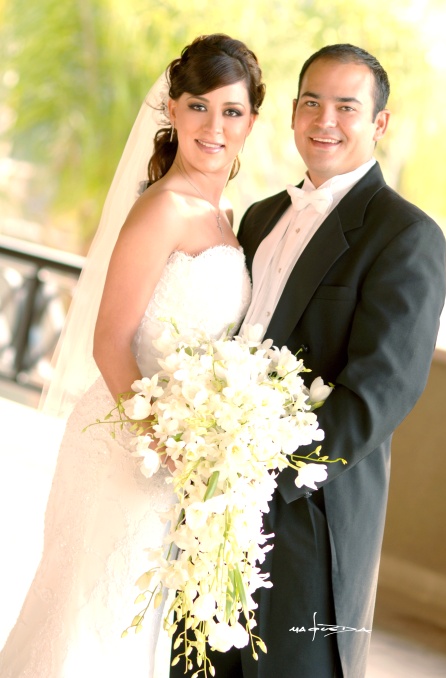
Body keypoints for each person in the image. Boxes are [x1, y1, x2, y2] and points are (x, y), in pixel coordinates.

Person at [0, 33, 265, 678]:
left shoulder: (226, 213)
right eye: (199, 106)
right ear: (172, 109)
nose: (214, 126)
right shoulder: (164, 209)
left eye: (232, 111)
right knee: (91, 611)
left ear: (252, 122)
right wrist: (161, 439)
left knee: (132, 624)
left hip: (178, 454)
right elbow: (109, 339)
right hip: (129, 445)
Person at [207, 44, 446, 678]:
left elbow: (381, 392)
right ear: (291, 113)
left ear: (379, 122)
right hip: (214, 506)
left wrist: (269, 478)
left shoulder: (405, 235)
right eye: (311, 102)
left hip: (313, 516)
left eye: (347, 105)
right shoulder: (260, 217)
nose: (325, 120)